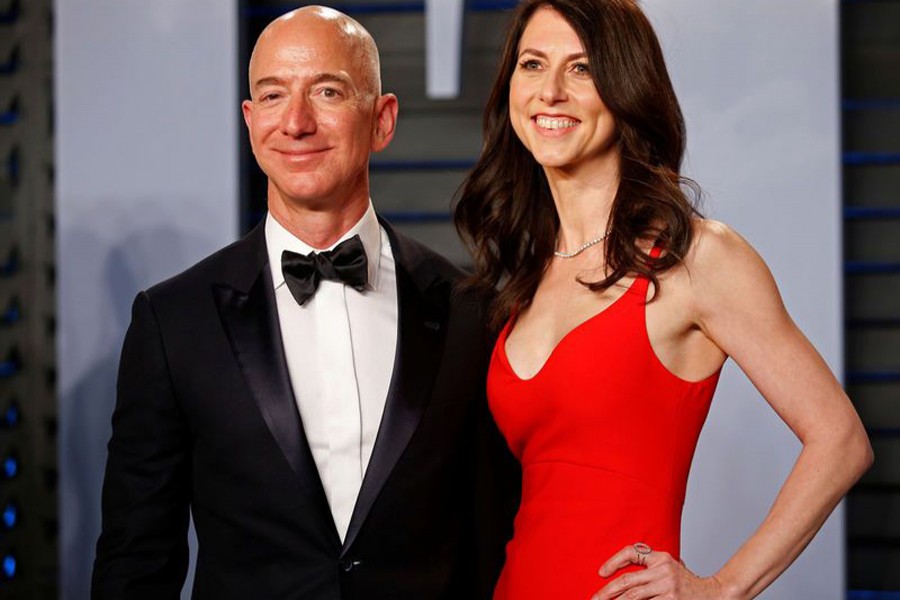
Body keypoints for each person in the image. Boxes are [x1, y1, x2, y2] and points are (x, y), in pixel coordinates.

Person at [92, 6, 517, 599]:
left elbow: (496, 547)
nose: (295, 122)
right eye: (271, 96)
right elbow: (135, 565)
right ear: (249, 120)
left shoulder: (470, 312)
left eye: (327, 91)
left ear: (383, 119)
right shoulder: (174, 322)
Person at [453, 1, 873, 598]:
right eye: (532, 64)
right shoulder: (527, 274)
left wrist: (722, 587)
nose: (550, 91)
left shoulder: (696, 259)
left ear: (625, 87)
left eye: (582, 69)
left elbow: (841, 439)